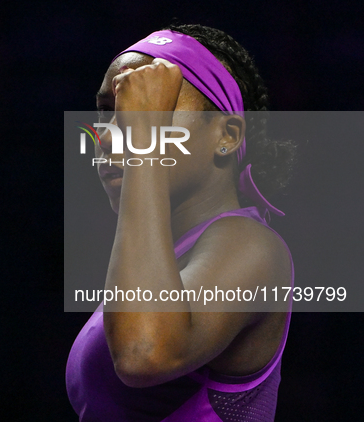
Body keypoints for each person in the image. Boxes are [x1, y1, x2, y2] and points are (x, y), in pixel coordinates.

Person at [66, 24, 297, 421]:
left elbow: (144, 353)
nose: (105, 136)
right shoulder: (161, 260)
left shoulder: (251, 244)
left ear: (226, 135)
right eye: (109, 112)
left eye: (150, 109)